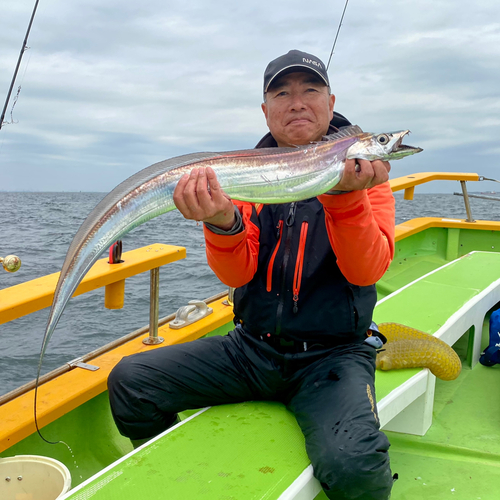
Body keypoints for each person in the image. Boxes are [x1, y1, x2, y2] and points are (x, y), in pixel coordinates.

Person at [108, 49, 396, 500]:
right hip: (250, 349)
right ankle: (181, 481)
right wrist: (222, 220)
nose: (297, 102)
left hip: (332, 358)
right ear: (266, 110)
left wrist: (344, 198)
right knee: (131, 381)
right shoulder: (248, 176)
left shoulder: (367, 178)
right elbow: (237, 271)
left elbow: (367, 270)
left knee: (355, 466)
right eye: (282, 92)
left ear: (330, 100)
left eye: (310, 90)